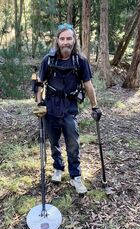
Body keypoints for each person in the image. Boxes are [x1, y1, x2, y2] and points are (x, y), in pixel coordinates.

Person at [34, 23, 102, 194]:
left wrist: (95, 107)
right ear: (57, 40)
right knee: (54, 142)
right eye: (62, 38)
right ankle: (58, 168)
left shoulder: (80, 60)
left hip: (69, 109)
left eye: (69, 38)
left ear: (74, 40)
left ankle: (75, 176)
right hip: (50, 108)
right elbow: (39, 84)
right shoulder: (48, 60)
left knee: (73, 144)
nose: (66, 42)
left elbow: (88, 85)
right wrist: (39, 104)